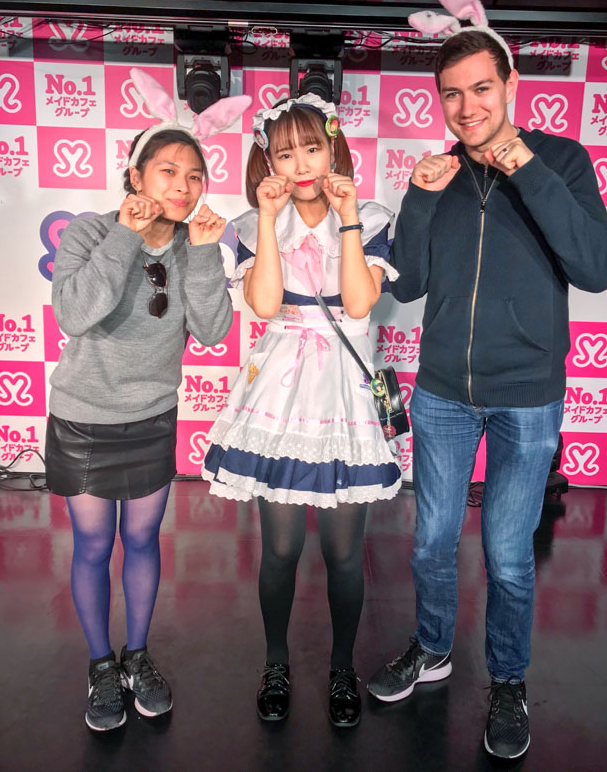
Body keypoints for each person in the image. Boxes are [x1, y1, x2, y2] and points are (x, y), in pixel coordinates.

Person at [367, 0, 607, 759]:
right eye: (452, 94)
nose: (468, 106)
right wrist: (413, 197)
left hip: (526, 398)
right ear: (440, 101)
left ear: (510, 83)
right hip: (443, 392)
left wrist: (523, 167)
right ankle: (435, 651)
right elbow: (406, 282)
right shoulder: (439, 177)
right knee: (430, 541)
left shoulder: (564, 161)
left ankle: (508, 680)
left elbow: (599, 268)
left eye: (482, 88)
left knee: (509, 556)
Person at [45, 68, 249, 731]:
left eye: (194, 176)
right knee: (92, 545)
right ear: (136, 175)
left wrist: (210, 256)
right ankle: (101, 665)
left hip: (153, 417)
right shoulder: (89, 231)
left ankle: (137, 655)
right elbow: (77, 314)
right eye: (167, 171)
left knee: (140, 540)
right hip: (82, 418)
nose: (183, 187)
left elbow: (215, 332)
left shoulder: (196, 244)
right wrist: (128, 236)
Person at [202, 93, 401, 727]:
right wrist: (267, 216)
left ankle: (343, 666)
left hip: (344, 388)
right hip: (281, 388)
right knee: (281, 549)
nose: (300, 162)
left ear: (333, 146)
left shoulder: (369, 217)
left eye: (311, 146)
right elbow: (262, 306)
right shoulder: (246, 224)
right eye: (284, 152)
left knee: (345, 552)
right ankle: (277, 661)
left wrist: (344, 218)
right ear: (269, 160)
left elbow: (360, 303)